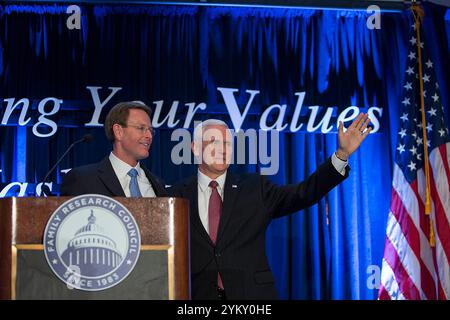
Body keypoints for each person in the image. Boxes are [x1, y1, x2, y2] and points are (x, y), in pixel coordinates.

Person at [169, 113, 372, 300]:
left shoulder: (254, 188)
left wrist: (342, 155)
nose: (222, 149)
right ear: (195, 148)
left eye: (227, 143)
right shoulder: (176, 196)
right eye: (213, 141)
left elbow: (304, 193)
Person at [61, 101, 167, 197]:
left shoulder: (158, 184)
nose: (149, 136)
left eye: (150, 130)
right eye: (141, 128)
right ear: (118, 132)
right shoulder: (82, 179)